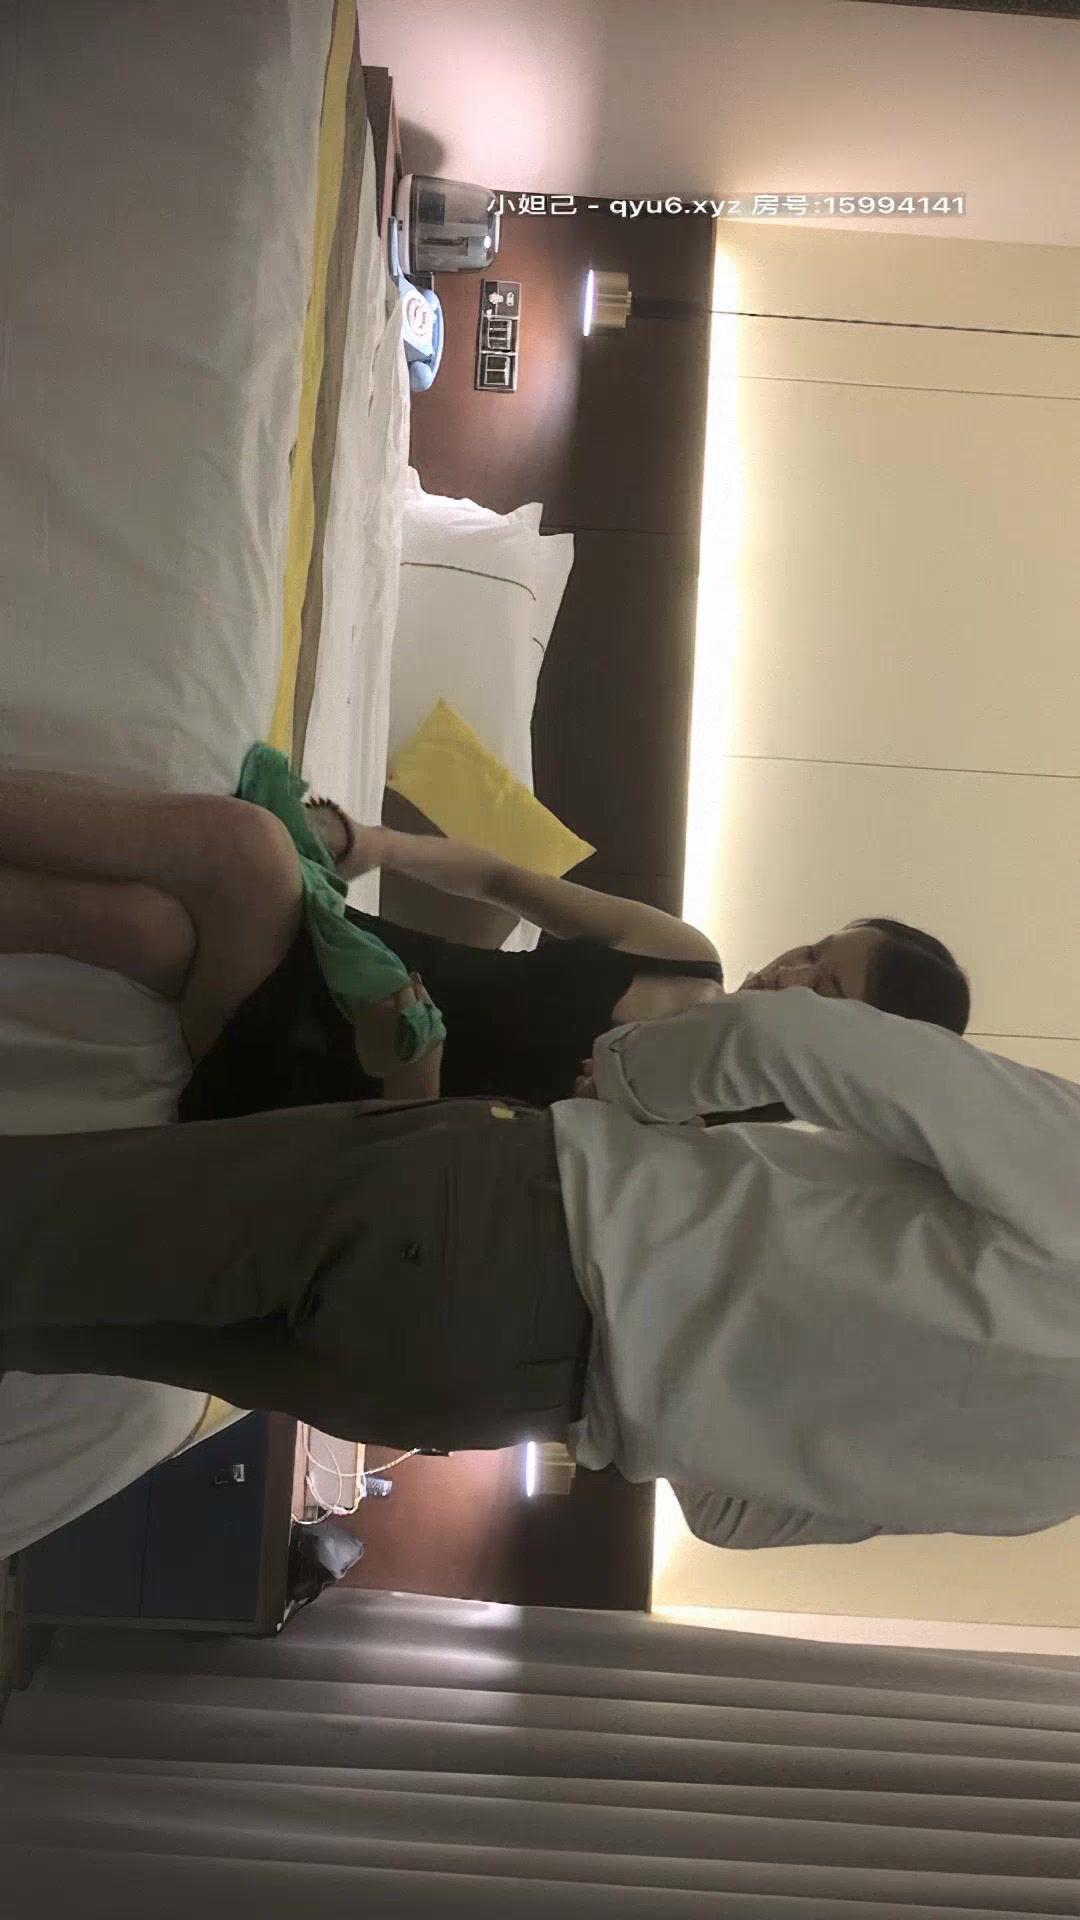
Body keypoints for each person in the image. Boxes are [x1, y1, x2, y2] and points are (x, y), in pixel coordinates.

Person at [3, 984, 1080, 1550]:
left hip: (511, 1218)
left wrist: (628, 1077)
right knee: (36, 1325)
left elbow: (800, 1041)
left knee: (35, 1228)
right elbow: (734, 1518)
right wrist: (686, 1386)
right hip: (482, 1396)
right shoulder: (1048, 1494)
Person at [0, 753, 970, 1123]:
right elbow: (503, 879)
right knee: (142, 927)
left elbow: (441, 1179)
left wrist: (405, 1073)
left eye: (824, 986)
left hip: (324, 1079)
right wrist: (365, 842)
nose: (791, 970)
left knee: (244, 847)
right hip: (331, 958)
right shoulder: (682, 953)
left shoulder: (700, 1145)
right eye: (813, 948)